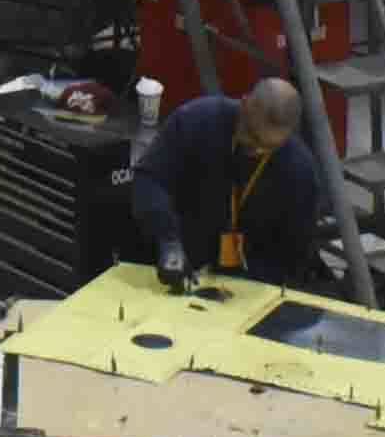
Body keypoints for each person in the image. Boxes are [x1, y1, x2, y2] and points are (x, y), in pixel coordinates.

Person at [136, 76, 342, 292]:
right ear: (243, 104)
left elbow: (293, 252)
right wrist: (168, 240)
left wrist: (253, 283)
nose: (256, 149)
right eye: (252, 135)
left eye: (268, 146)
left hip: (248, 282)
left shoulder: (299, 171)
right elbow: (150, 178)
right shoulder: (197, 120)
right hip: (178, 259)